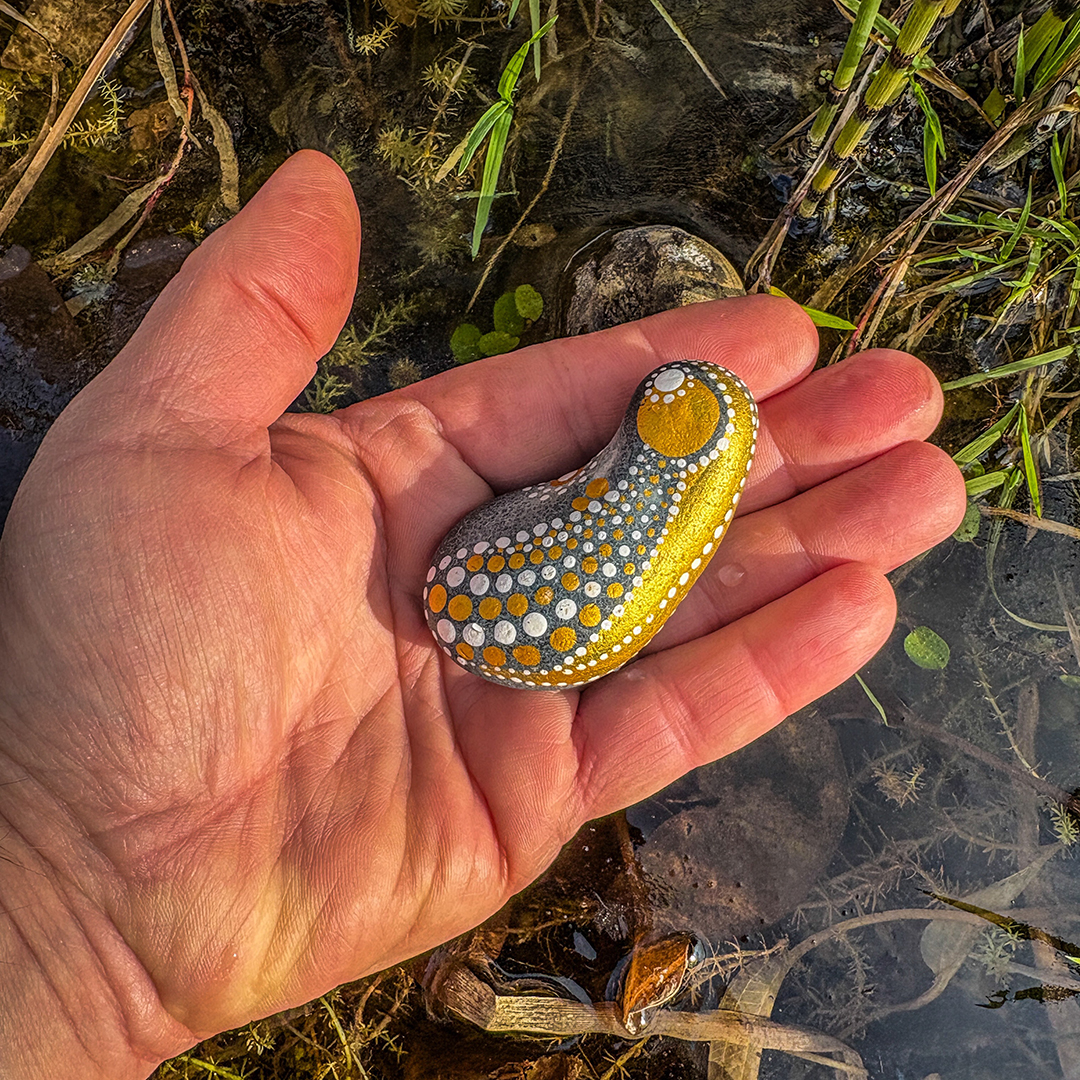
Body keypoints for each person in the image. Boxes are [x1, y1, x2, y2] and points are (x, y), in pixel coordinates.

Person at [0, 150, 966, 1078]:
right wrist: (74, 913)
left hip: (514, 589)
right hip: (512, 594)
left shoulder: (644, 482)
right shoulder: (648, 480)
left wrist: (76, 934)